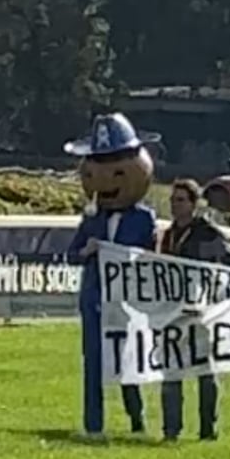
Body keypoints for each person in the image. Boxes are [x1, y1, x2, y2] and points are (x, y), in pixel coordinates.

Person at [66, 113, 158, 440]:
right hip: (94, 299)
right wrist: (87, 251)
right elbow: (70, 254)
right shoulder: (92, 219)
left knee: (127, 360)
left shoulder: (144, 219)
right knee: (93, 362)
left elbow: (148, 257)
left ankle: (136, 418)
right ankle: (94, 424)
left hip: (126, 302)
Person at [159, 179, 230, 442]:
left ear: (194, 204)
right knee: (171, 372)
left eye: (181, 200)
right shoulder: (168, 234)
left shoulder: (207, 232)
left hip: (202, 312)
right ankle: (171, 430)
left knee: (206, 371)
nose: (175, 206)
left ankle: (208, 429)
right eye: (172, 200)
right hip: (172, 312)